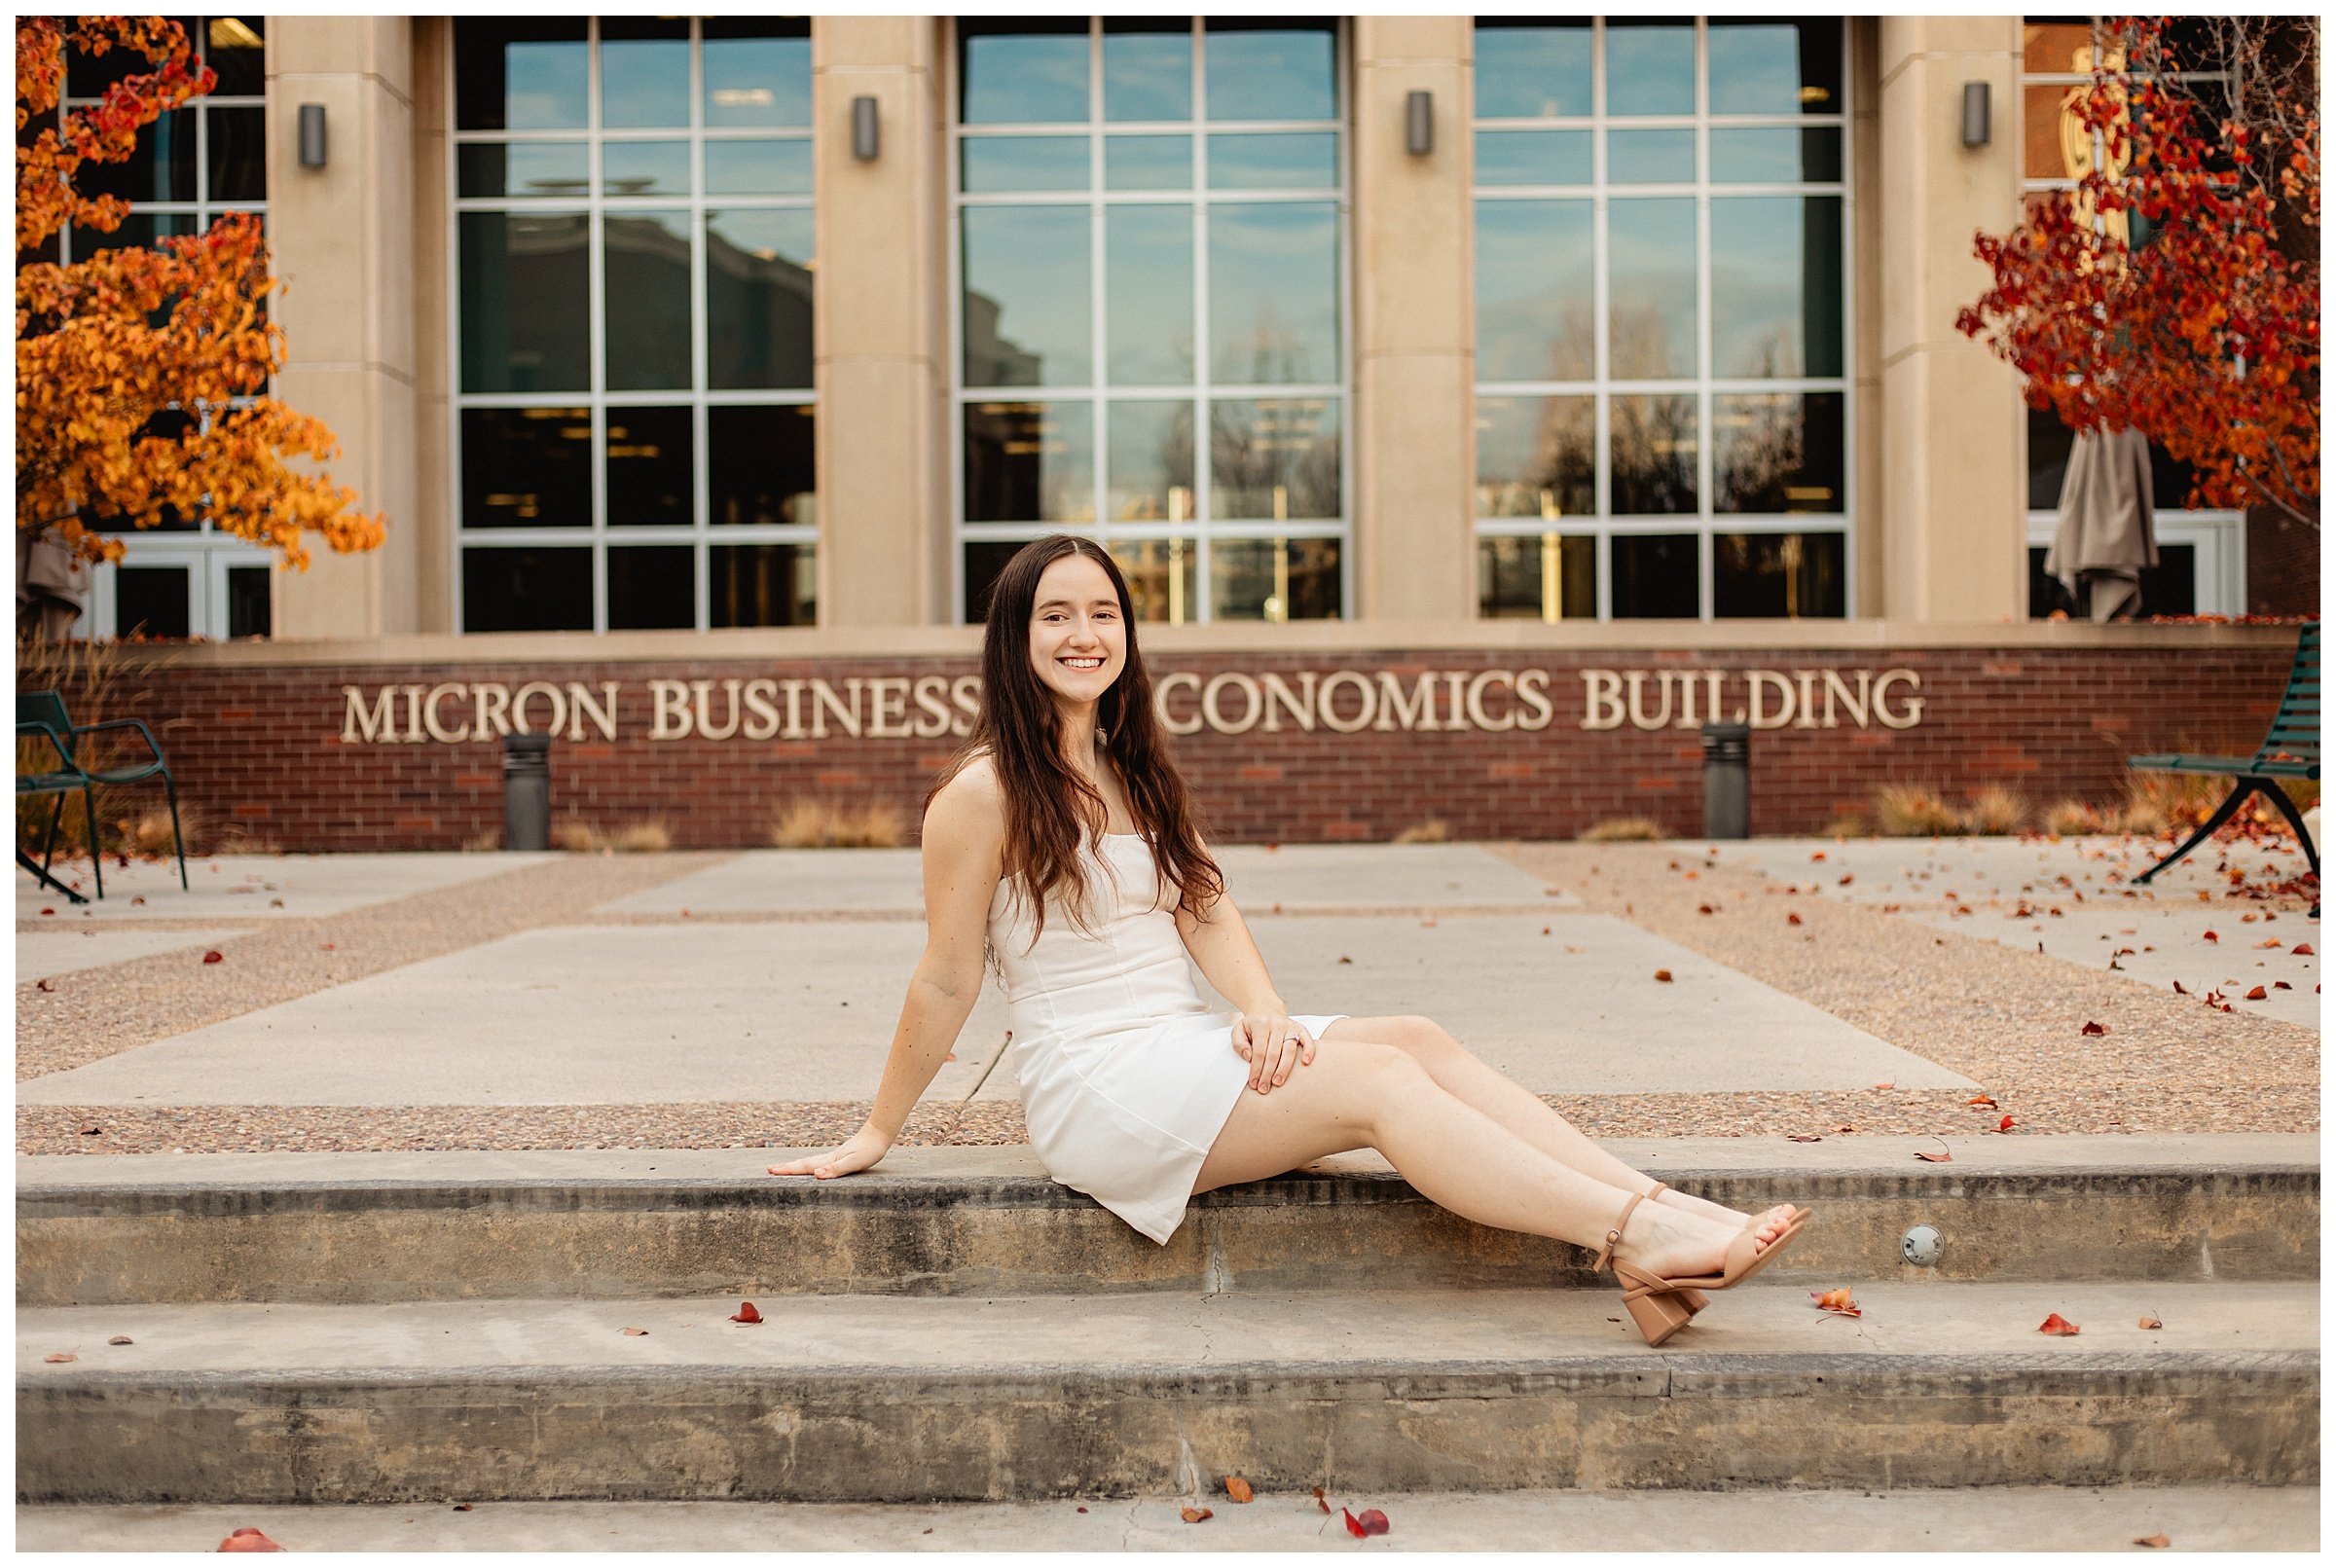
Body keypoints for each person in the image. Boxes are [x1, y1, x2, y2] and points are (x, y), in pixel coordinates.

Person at [770, 534, 1806, 1345]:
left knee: (1417, 1039)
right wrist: (875, 1135)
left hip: (1175, 1046)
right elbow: (945, 979)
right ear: (1015, 638)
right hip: (1096, 1083)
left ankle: (1658, 1204)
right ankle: (1637, 1242)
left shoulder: (1134, 769)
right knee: (1380, 1089)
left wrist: (1261, 1013)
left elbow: (1205, 905)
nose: (1084, 633)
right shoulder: (981, 794)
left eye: (1102, 612)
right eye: (1055, 616)